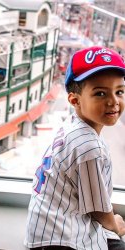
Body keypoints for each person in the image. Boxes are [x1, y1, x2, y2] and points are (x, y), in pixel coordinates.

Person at [24, 46, 125, 250]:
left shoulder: (74, 125)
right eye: (100, 93)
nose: (113, 101)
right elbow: (99, 211)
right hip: (59, 242)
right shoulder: (88, 146)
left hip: (53, 231)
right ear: (74, 100)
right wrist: (116, 225)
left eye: (119, 91)